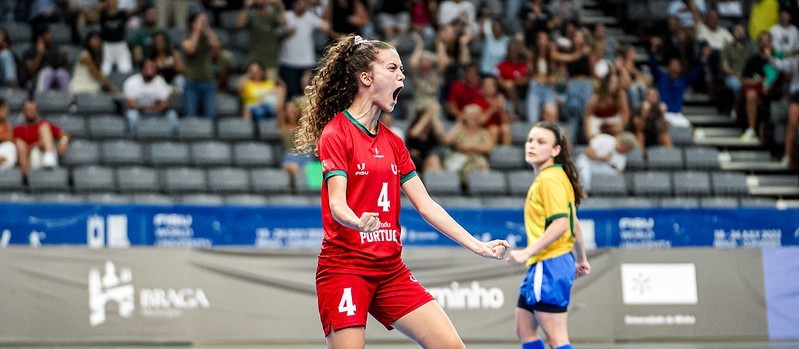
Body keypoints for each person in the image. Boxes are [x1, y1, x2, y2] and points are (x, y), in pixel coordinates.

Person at [294, 34, 509, 348]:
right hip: (345, 269)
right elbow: (337, 203)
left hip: (390, 270)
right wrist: (357, 221)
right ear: (366, 77)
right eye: (393, 68)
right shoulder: (336, 133)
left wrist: (476, 245)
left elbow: (426, 205)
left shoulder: (394, 143)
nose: (402, 76)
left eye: (402, 70)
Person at [506, 121, 591, 349]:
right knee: (524, 328)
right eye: (530, 140)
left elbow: (562, 224)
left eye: (541, 142)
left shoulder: (549, 179)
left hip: (550, 264)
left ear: (555, 150)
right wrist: (581, 258)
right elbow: (574, 221)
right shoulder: (556, 176)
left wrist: (526, 252)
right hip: (551, 263)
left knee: (556, 338)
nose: (532, 145)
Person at [13, 100, 70, 177]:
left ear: (37, 111)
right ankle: (26, 178)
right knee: (21, 145)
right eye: (29, 110)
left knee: (44, 127)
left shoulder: (44, 124)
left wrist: (63, 141)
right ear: (23, 111)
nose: (31, 112)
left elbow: (65, 134)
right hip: (30, 159)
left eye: (34, 109)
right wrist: (32, 146)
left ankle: (49, 157)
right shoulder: (18, 129)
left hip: (45, 154)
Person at [123, 59, 178, 136]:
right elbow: (130, 105)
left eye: (153, 68)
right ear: (142, 70)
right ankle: (133, 141)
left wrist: (156, 108)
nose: (151, 70)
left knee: (172, 115)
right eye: (148, 68)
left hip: (157, 111)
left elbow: (165, 104)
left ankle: (172, 142)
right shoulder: (132, 82)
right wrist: (146, 107)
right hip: (140, 112)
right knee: (132, 115)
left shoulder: (160, 82)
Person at [182, 12, 220, 118]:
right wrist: (197, 30)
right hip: (191, 83)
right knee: (191, 117)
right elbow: (191, 49)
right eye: (197, 22)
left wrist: (206, 28)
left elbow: (217, 48)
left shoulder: (209, 40)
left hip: (208, 83)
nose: (200, 24)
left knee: (210, 117)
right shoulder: (186, 41)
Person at [69, 30, 118, 96]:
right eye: (93, 39)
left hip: (92, 83)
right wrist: (110, 87)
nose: (95, 42)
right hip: (81, 84)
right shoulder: (85, 55)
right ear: (88, 41)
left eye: (98, 40)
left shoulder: (98, 55)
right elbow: (96, 74)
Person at [0, 98, 16, 170]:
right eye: (2, 110)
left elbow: (10, 139)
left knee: (10, 146)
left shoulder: (8, 126)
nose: (5, 112)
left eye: (5, 110)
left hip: (4, 154)